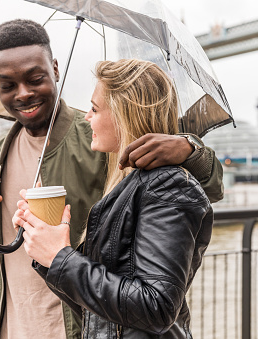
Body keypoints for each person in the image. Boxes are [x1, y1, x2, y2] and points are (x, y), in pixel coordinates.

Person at [0, 19, 223, 339]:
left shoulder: (99, 139)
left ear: (55, 69)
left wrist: (187, 148)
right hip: (13, 327)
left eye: (35, 78)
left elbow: (205, 187)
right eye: (7, 85)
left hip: (84, 328)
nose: (23, 93)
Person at [13, 58, 213, 337]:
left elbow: (158, 308)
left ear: (123, 114)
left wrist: (61, 258)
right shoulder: (128, 186)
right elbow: (97, 309)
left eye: (95, 108)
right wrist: (46, 250)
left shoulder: (167, 187)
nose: (86, 116)